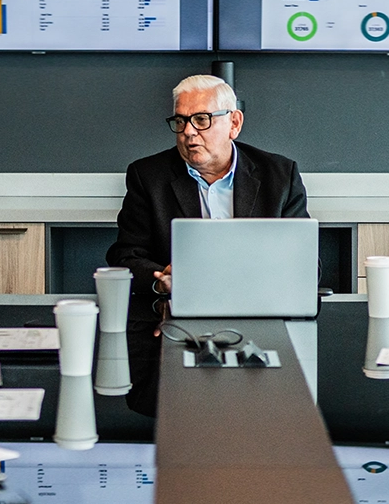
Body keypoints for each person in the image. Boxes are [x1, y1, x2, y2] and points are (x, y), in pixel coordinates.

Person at [108, 74, 309, 326]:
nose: (188, 132)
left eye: (201, 119)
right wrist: (159, 279)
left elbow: (306, 262)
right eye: (180, 121)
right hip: (178, 318)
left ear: (234, 123)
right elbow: (125, 255)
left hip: (262, 313)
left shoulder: (279, 176)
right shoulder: (148, 176)